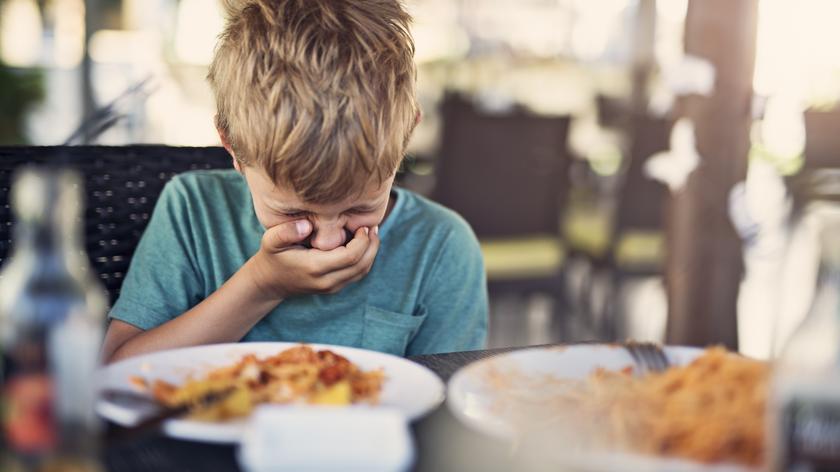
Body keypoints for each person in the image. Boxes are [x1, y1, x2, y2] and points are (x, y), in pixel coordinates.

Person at [101, 0, 488, 362]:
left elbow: (445, 422)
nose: (328, 242)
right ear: (231, 144)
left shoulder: (441, 249)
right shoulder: (192, 211)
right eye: (294, 212)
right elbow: (119, 368)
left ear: (407, 137)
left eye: (359, 207)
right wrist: (262, 285)